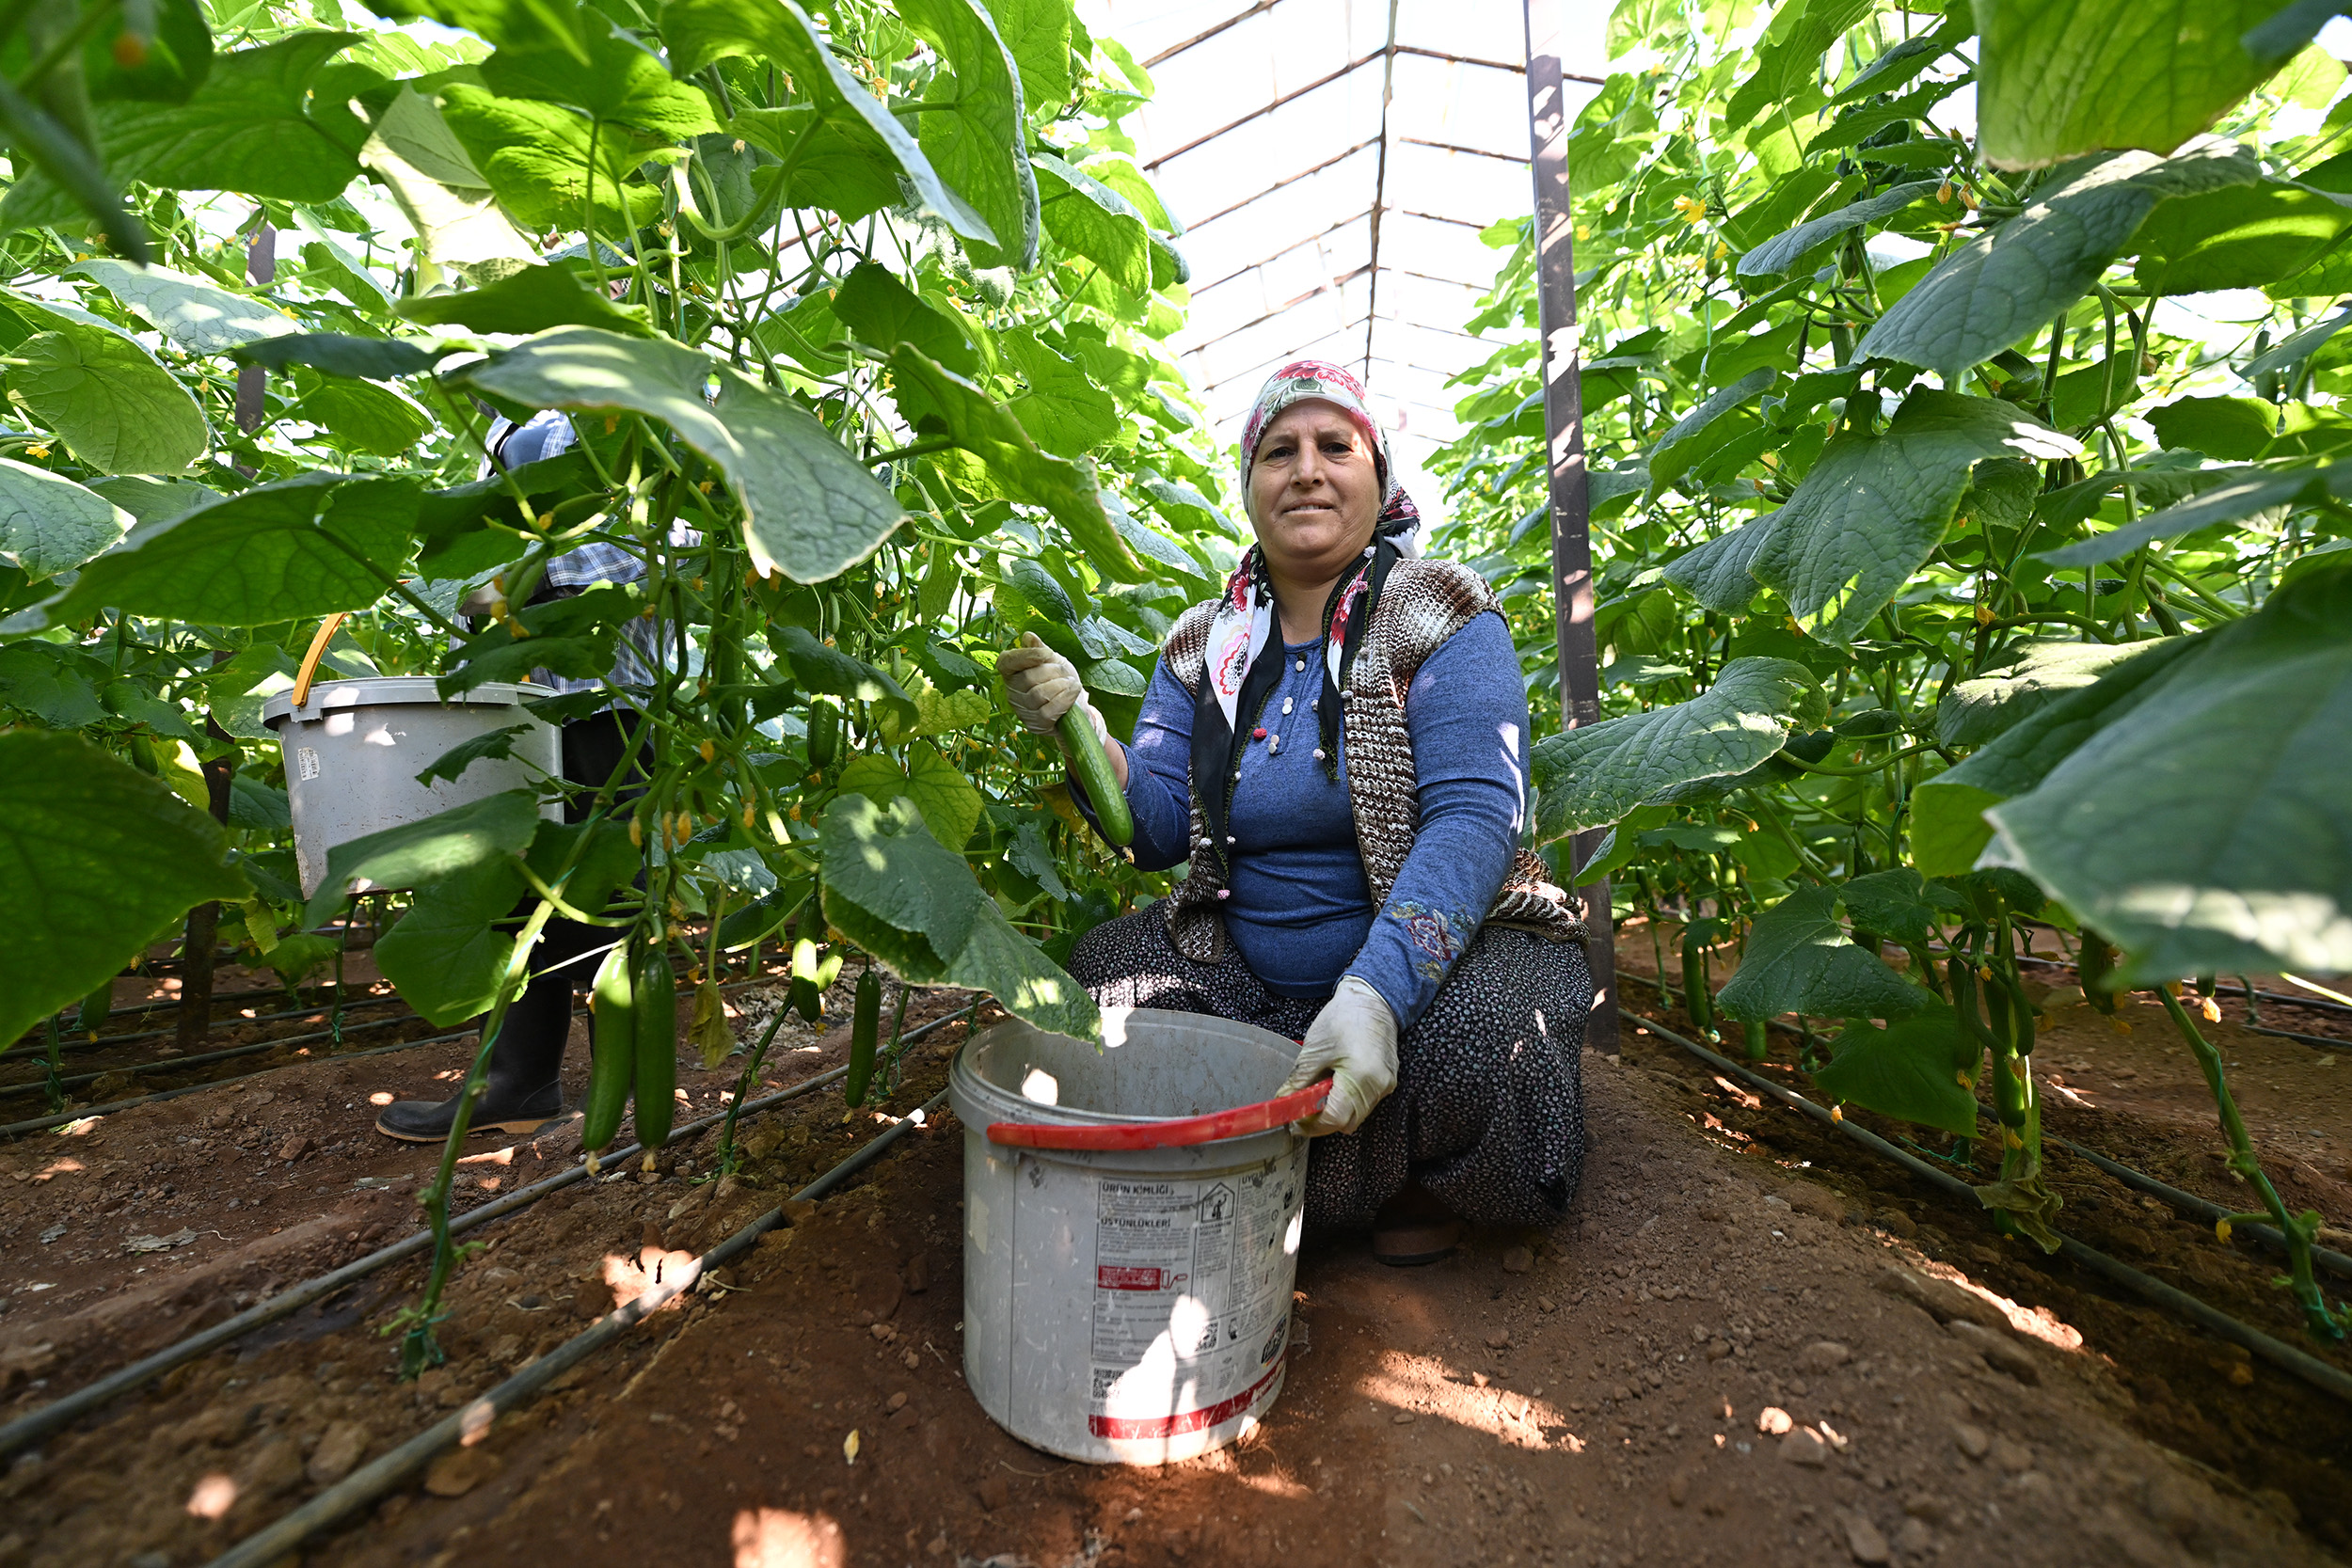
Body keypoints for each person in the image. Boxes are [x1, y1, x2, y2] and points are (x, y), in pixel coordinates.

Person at [999, 360, 1593, 1265]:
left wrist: (1375, 993)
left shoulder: (1441, 611)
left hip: (1426, 959)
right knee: (1099, 986)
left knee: (1490, 1040)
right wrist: (1082, 733)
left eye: (1334, 446)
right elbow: (1154, 825)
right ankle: (1361, 1176)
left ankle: (1378, 1184)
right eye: (1279, 451)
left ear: (1379, 477)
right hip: (1243, 967)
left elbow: (1475, 817)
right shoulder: (1203, 645)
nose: (1307, 469)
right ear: (1249, 488)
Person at [373, 411, 667, 1140]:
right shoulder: (516, 407)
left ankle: (624, 1093)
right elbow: (481, 538)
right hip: (514, 698)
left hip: (607, 698)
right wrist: (476, 588)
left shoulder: (649, 391)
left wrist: (522, 582)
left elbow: (666, 547)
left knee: (605, 891)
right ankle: (518, 1081)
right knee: (512, 886)